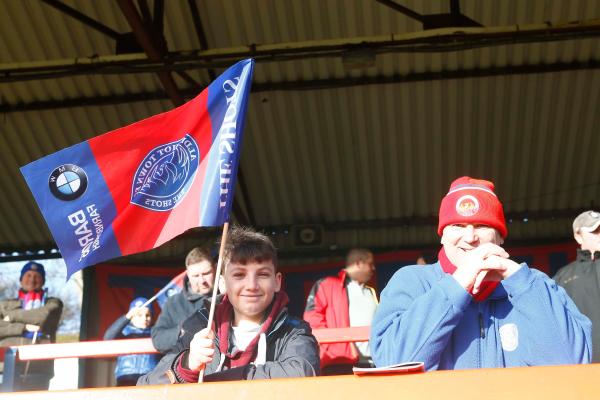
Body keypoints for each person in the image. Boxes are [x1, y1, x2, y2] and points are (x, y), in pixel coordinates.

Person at [371, 176, 591, 370]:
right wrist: (457, 285)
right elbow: (392, 362)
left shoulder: (534, 284)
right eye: (457, 225)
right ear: (442, 235)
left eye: (481, 225)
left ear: (501, 236)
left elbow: (572, 362)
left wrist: (521, 282)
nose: (469, 237)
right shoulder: (412, 281)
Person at [138, 227, 319, 384]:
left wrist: (217, 380)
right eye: (239, 275)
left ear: (277, 282)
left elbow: (303, 373)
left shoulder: (294, 330)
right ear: (222, 284)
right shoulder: (201, 325)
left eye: (262, 274)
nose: (251, 285)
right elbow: (147, 385)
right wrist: (186, 365)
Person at [303, 248, 378, 375]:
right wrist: (332, 348)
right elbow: (312, 320)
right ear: (359, 263)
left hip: (373, 363)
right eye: (370, 264)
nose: (374, 268)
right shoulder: (327, 285)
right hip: (339, 363)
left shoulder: (371, 292)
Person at [0, 261, 63, 391]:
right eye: (28, 275)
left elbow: (42, 317)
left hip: (39, 369)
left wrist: (11, 317)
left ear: (43, 280)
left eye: (37, 276)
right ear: (21, 279)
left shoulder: (53, 303)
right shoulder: (4, 304)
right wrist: (23, 328)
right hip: (4, 367)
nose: (32, 280)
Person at [554, 210, 600, 362]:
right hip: (583, 368)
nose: (599, 235)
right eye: (595, 231)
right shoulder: (562, 277)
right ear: (578, 236)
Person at [151, 247, 216, 354]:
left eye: (206, 273)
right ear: (188, 275)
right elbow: (158, 338)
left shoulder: (226, 295)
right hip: (185, 364)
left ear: (215, 269)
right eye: (196, 276)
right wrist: (182, 331)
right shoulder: (174, 303)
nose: (202, 280)